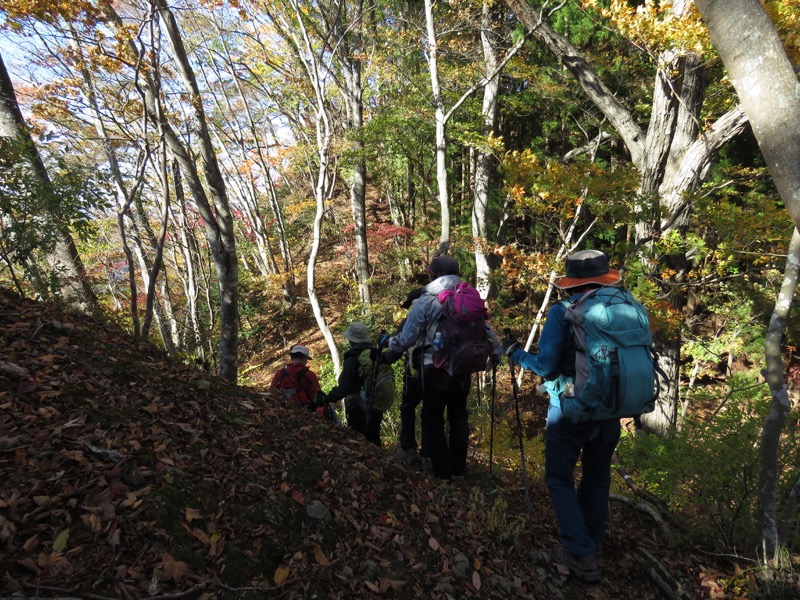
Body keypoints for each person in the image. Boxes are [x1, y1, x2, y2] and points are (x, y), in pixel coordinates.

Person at [501, 249, 624, 584]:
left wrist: (515, 354)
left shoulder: (563, 311)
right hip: (612, 409)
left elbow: (546, 365)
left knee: (559, 477)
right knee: (597, 478)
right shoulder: (624, 308)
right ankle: (593, 544)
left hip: (569, 408)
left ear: (572, 283)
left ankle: (579, 553)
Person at [384, 256, 501, 480]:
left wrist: (390, 343)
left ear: (433, 275)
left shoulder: (427, 300)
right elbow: (487, 330)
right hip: (463, 369)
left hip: (435, 368)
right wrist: (496, 354)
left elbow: (407, 337)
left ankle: (441, 473)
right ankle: (458, 470)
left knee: (433, 418)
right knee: (458, 417)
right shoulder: (467, 298)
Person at [323, 321, 384, 446]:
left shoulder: (353, 357)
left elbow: (345, 387)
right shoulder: (375, 354)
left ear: (351, 340)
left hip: (358, 407)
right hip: (376, 404)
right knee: (374, 440)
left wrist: (327, 398)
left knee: (359, 442)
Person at [394, 288, 427, 466]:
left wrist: (384, 357)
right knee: (430, 412)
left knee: (407, 408)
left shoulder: (409, 321)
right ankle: (430, 452)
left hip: (414, 373)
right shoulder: (440, 316)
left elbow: (397, 347)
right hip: (440, 371)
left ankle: (408, 449)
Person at [269, 345, 323, 415]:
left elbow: (271, 393)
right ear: (304, 359)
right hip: (303, 414)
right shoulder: (310, 375)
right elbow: (316, 398)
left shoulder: (279, 373)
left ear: (291, 358)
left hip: (281, 413)